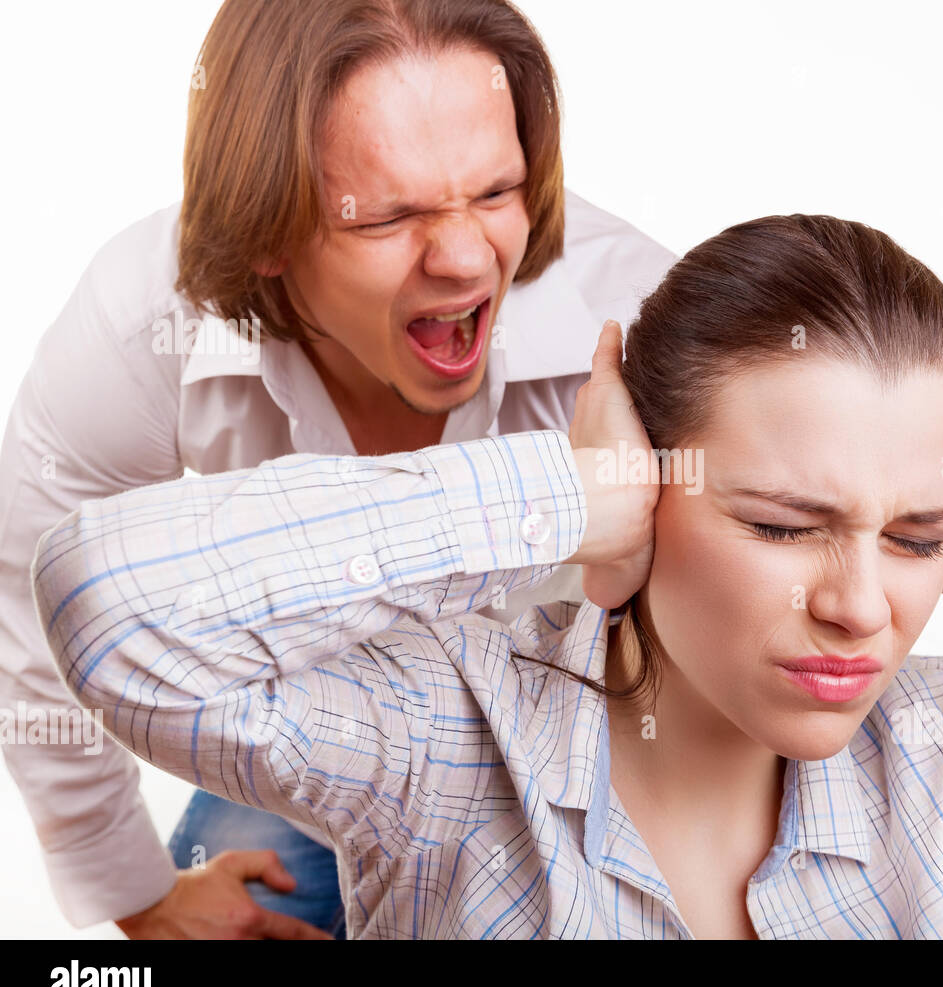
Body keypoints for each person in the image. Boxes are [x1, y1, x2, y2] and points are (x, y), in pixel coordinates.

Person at [32, 215, 943, 939]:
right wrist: (571, 500)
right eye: (783, 524)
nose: (863, 609)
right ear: (652, 482)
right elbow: (112, 599)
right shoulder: (443, 734)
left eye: (918, 543)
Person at [0, 0, 675, 939]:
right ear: (266, 230)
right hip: (329, 745)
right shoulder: (141, 319)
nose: (468, 259)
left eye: (494, 193)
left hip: (595, 779)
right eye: (390, 215)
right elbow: (32, 600)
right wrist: (136, 896)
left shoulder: (641, 317)